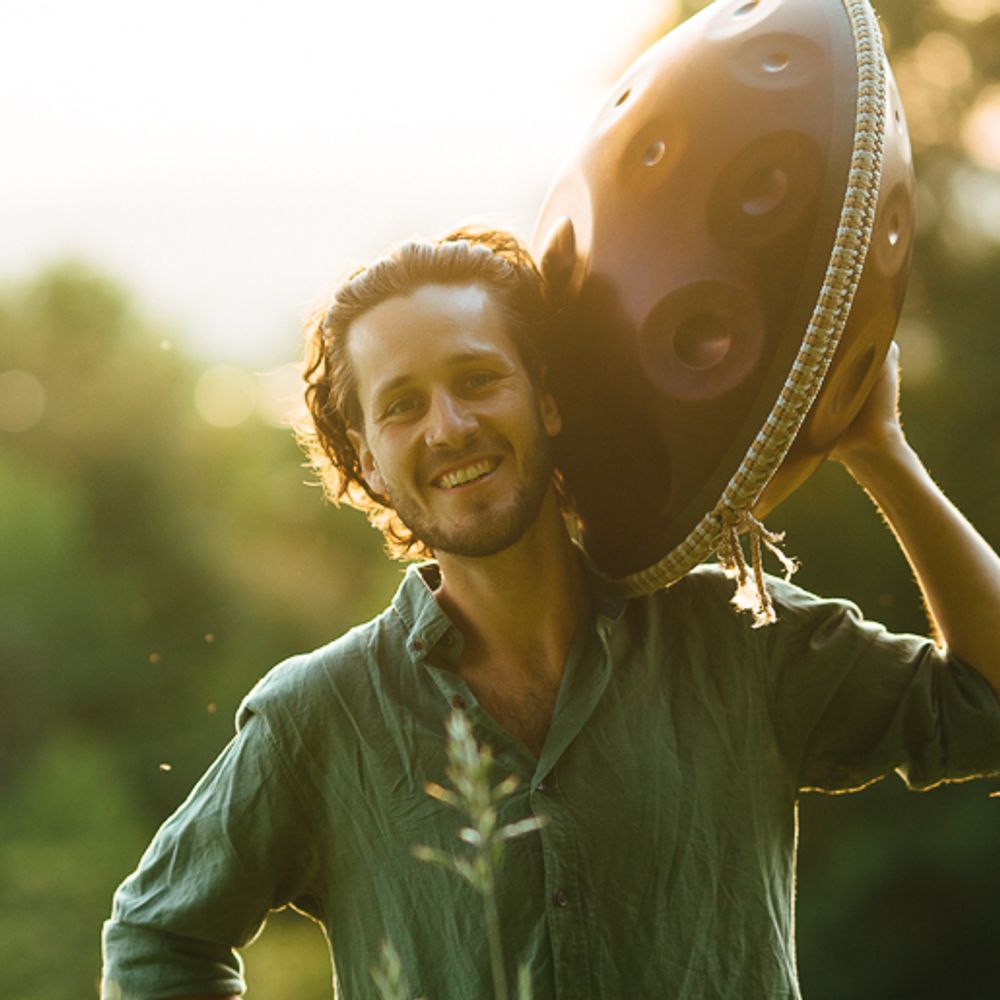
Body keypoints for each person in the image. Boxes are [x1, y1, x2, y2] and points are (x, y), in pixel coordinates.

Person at [101, 228, 1000, 1000]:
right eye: (402, 406)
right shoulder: (317, 716)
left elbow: (984, 706)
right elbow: (155, 941)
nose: (448, 427)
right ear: (368, 461)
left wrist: (878, 449)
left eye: (478, 378)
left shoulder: (733, 633)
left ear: (549, 399)